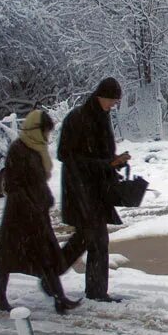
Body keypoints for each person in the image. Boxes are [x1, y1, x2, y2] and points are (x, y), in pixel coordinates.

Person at [0, 110, 81, 315]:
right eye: (45, 132)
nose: (48, 137)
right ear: (35, 130)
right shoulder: (19, 150)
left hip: (36, 211)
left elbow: (38, 180)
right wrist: (30, 204)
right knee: (9, 256)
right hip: (19, 214)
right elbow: (15, 184)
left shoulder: (35, 149)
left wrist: (44, 198)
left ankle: (60, 299)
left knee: (47, 254)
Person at [57, 77, 131, 302]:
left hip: (96, 189)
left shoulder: (101, 117)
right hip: (80, 190)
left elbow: (100, 154)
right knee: (97, 241)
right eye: (111, 100)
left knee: (84, 239)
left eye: (116, 102)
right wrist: (106, 164)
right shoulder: (78, 118)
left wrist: (116, 162)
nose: (113, 105)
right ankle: (96, 292)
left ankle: (50, 273)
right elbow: (66, 155)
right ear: (100, 96)